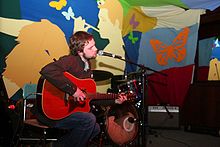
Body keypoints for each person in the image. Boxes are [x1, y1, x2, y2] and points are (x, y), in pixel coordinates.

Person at [36, 31, 127, 147]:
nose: (96, 49)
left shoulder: (87, 68)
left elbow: (91, 97)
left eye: (94, 45)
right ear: (79, 51)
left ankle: (57, 145)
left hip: (67, 113)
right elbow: (47, 70)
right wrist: (74, 90)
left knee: (96, 129)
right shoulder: (71, 61)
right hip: (51, 113)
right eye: (91, 47)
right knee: (89, 119)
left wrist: (115, 100)